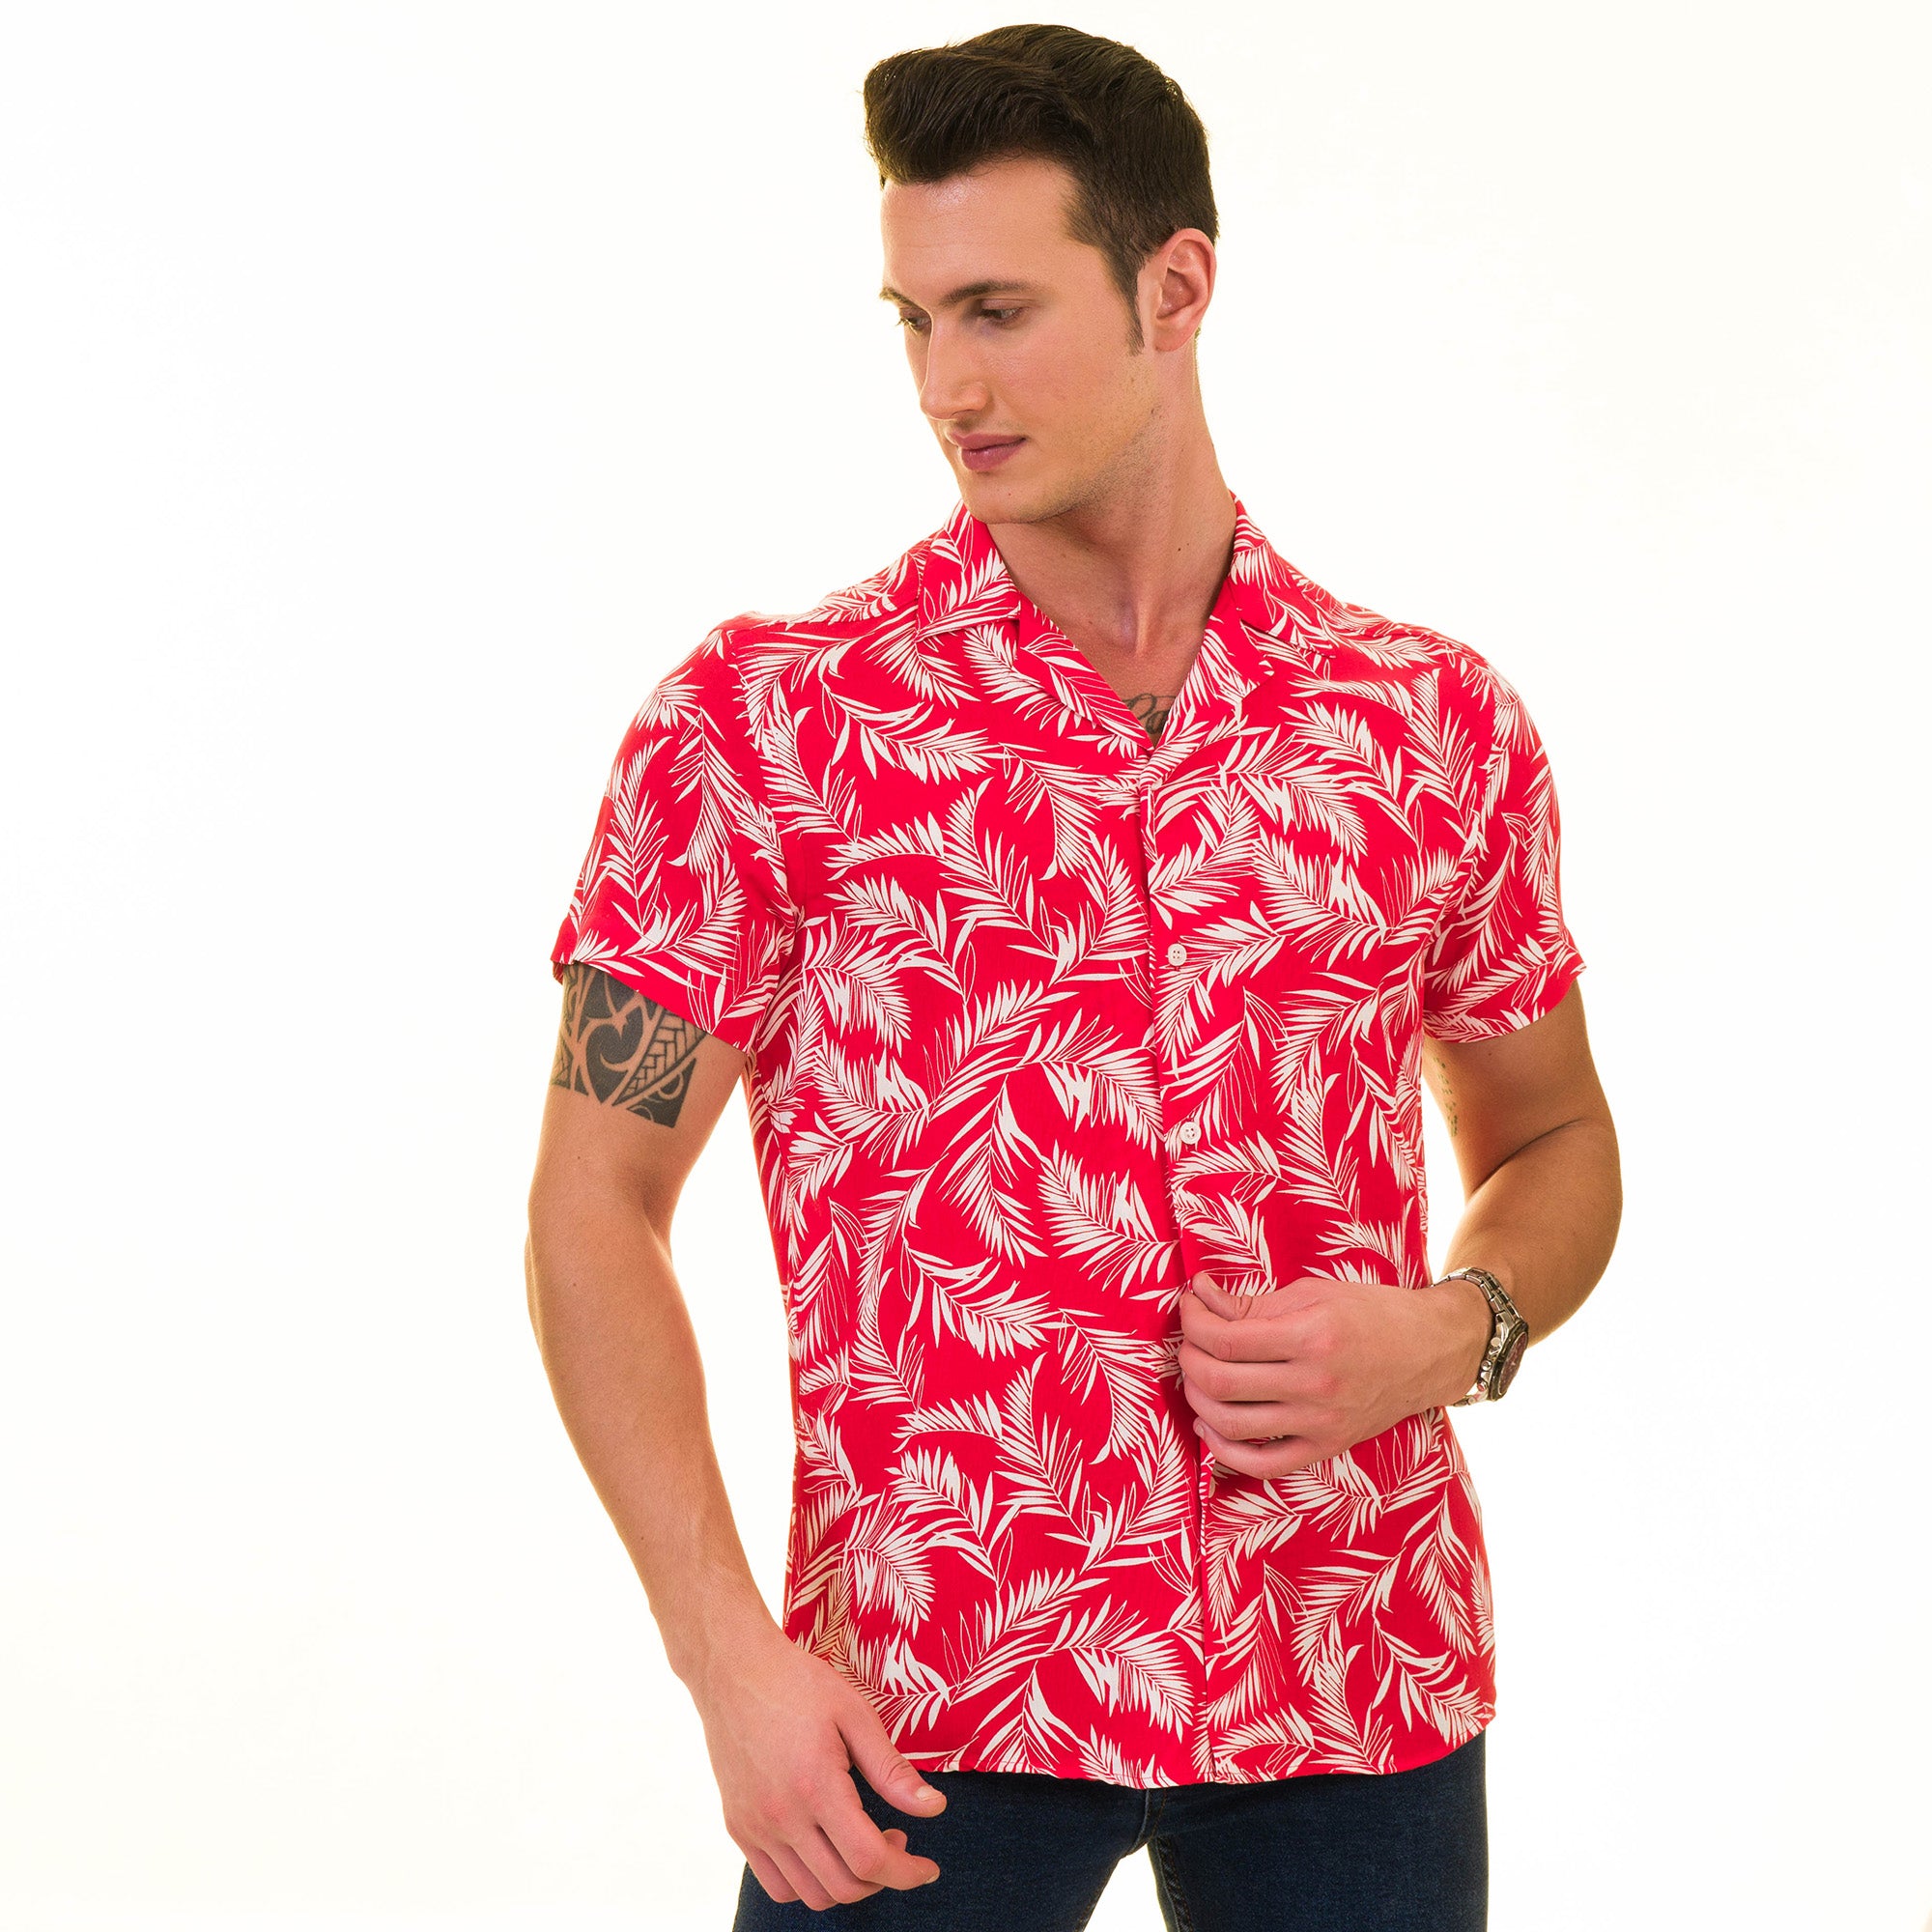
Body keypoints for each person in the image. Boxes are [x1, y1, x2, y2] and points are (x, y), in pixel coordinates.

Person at [525, 23, 1621, 1930]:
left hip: (1353, 1676)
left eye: (999, 311)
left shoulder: (1427, 726)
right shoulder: (768, 724)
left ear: (1173, 287)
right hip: (922, 1705)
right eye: (914, 318)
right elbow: (591, 1204)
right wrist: (725, 1662)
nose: (946, 382)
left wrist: (1452, 1332)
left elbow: (1556, 1137)